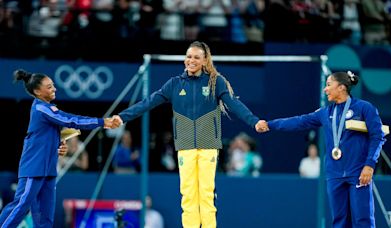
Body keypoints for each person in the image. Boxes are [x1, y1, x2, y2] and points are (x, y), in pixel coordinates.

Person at [111, 41, 267, 228]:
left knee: (206, 195)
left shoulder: (216, 82)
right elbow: (147, 103)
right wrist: (122, 117)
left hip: (208, 146)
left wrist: (254, 120)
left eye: (196, 57)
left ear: (204, 60)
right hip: (185, 147)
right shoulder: (174, 84)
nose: (191, 60)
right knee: (188, 195)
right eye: (189, 56)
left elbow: (234, 104)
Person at [266, 71, 386, 227]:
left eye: (329, 85)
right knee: (339, 221)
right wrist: (270, 124)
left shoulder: (364, 108)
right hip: (334, 173)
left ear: (342, 87)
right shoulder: (325, 113)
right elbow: (299, 121)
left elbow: (378, 136)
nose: (325, 89)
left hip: (358, 172)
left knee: (363, 220)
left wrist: (369, 165)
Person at [0, 69, 113, 227]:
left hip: (49, 170)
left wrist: (60, 144)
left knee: (45, 216)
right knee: (20, 206)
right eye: (49, 87)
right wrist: (102, 122)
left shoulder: (47, 109)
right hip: (34, 168)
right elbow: (70, 120)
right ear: (37, 91)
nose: (54, 89)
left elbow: (57, 132)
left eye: (53, 85)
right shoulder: (42, 108)